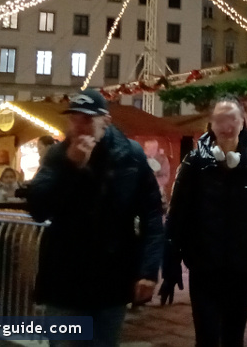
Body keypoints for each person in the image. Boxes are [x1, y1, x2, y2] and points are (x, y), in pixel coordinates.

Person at [26, 89, 164, 347]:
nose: (79, 127)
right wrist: (71, 167)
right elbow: (39, 208)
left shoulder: (130, 156)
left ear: (106, 121)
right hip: (65, 279)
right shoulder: (58, 155)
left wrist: (148, 270)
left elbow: (152, 215)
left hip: (111, 279)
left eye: (87, 120)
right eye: (74, 119)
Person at [160, 98, 247, 347]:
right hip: (203, 265)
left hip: (241, 266)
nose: (226, 126)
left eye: (232, 119)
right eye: (220, 120)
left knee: (233, 337)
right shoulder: (194, 162)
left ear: (242, 123)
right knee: (206, 337)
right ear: (211, 124)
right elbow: (177, 217)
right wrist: (170, 263)